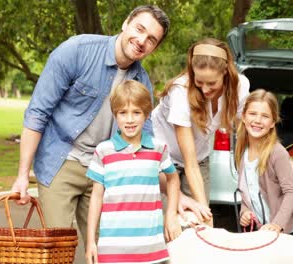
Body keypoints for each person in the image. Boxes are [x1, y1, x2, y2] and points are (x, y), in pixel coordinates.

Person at [10, 5, 172, 246]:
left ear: (154, 48)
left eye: (151, 39)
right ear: (126, 22)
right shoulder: (76, 50)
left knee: (106, 249)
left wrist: (175, 191)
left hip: (103, 171)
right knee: (58, 248)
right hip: (61, 161)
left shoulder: (142, 82)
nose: (141, 41)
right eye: (139, 29)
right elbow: (37, 113)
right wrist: (23, 175)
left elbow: (144, 147)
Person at [152, 38, 250, 222]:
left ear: (226, 73)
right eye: (199, 82)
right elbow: (189, 163)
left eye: (212, 83)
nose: (205, 89)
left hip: (199, 156)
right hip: (162, 159)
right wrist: (204, 209)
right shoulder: (180, 91)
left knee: (200, 222)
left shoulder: (240, 86)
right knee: (169, 221)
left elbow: (249, 130)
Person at [86, 80, 181, 264]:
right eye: (123, 113)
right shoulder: (104, 150)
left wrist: (170, 214)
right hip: (112, 249)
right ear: (115, 115)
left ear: (146, 115)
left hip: (150, 248)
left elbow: (173, 179)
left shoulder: (158, 148)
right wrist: (91, 241)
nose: (129, 119)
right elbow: (96, 197)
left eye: (136, 112)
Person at [235, 89, 293, 262]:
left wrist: (276, 225)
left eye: (265, 116)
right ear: (244, 116)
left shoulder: (277, 152)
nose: (257, 120)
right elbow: (247, 192)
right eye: (253, 113)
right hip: (271, 228)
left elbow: (291, 192)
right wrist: (245, 212)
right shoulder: (241, 152)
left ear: (273, 122)